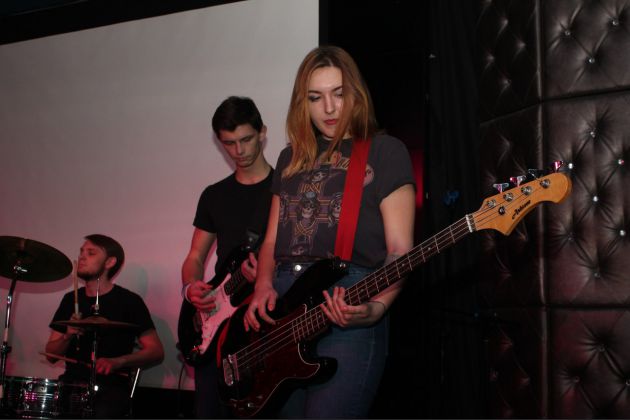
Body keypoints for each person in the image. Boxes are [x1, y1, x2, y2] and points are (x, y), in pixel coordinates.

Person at [243, 45, 416, 418]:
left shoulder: (385, 151)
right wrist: (263, 286)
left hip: (347, 303)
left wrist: (376, 308)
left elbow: (400, 250)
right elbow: (271, 240)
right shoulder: (289, 158)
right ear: (302, 104)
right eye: (315, 97)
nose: (329, 108)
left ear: (356, 94)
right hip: (282, 311)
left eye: (339, 94)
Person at [180, 96, 274, 418]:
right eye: (229, 143)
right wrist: (191, 288)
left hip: (262, 323)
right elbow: (195, 256)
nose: (239, 151)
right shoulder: (214, 195)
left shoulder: (284, 190)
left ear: (263, 132)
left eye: (246, 139)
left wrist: (265, 276)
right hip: (217, 323)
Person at [46, 234, 164, 418]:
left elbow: (155, 350)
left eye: (91, 253)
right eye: (81, 252)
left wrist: (119, 362)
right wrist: (67, 336)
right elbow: (51, 355)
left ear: (110, 262)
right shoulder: (70, 299)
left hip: (111, 387)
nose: (82, 257)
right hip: (72, 384)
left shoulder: (129, 301)